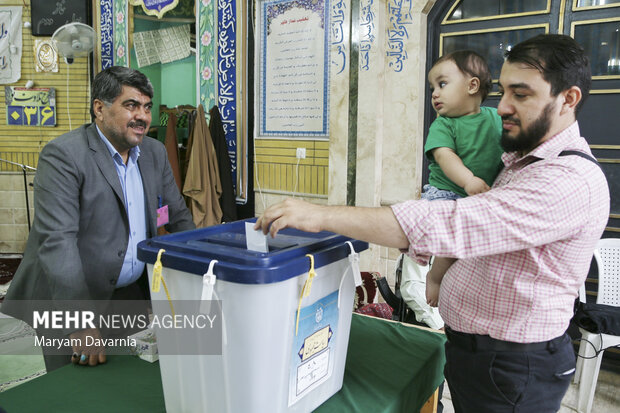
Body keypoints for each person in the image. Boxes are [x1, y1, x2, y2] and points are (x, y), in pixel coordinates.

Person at [256, 34, 610, 412]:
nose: (503, 106)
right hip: (480, 353)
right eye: (504, 91)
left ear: (568, 99)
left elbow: (454, 224)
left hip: (512, 367)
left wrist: (321, 215)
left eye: (520, 95)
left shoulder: (567, 180)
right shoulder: (520, 162)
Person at [2, 66, 195, 371]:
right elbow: (57, 242)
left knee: (125, 377)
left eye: (146, 107)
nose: (142, 116)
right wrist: (79, 323)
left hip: (128, 294)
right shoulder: (64, 156)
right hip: (70, 296)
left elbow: (177, 216)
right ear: (100, 109)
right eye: (131, 105)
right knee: (75, 388)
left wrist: (195, 279)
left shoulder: (154, 153)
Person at [423, 50, 503, 307]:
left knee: (478, 251)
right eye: (433, 87)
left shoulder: (495, 118)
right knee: (452, 248)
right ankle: (434, 279)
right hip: (446, 193)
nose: (435, 93)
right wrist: (468, 180)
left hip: (480, 195)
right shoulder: (443, 124)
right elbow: (446, 157)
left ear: (472, 85)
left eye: (442, 84)